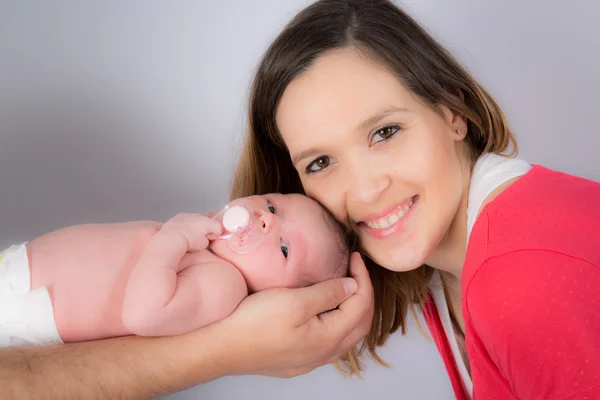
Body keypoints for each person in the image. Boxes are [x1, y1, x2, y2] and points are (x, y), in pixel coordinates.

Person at [231, 0, 600, 399]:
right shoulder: (448, 264)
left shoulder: (520, 278)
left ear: (452, 112)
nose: (366, 190)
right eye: (321, 162)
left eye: (386, 132)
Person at [0, 193, 354, 346]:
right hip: (20, 273)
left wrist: (173, 237)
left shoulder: (224, 284)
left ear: (280, 294)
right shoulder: (206, 245)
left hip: (26, 312)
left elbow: (144, 315)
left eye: (284, 249)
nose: (266, 221)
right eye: (274, 207)